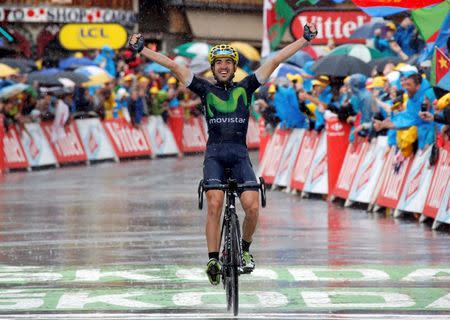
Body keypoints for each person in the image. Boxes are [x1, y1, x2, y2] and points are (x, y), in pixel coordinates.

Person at [128, 23, 318, 286]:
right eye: (219, 63)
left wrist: (304, 40)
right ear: (213, 67)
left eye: (228, 62)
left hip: (240, 155)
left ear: (234, 66)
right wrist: (142, 50)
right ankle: (213, 259)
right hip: (215, 156)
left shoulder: (247, 86)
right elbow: (174, 66)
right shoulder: (205, 89)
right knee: (215, 204)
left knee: (252, 207)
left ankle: (246, 249)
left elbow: (274, 59)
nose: (224, 67)